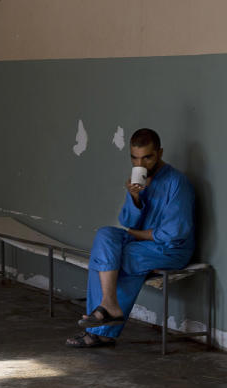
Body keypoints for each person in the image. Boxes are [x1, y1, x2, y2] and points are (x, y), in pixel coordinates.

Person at [66, 128, 195, 348]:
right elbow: (127, 220)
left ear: (160, 153)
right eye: (135, 158)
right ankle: (108, 306)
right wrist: (134, 197)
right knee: (105, 236)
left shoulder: (177, 182)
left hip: (169, 250)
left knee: (115, 259)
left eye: (147, 157)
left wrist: (134, 235)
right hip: (144, 245)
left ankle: (101, 332)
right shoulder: (141, 180)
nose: (141, 164)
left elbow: (174, 234)